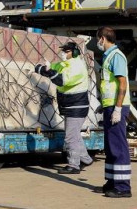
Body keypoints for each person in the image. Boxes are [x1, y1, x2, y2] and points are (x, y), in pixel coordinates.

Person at [35, 41, 93, 174]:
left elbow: (61, 80)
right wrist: (40, 68)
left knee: (70, 137)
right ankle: (85, 159)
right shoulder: (65, 64)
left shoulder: (76, 67)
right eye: (63, 51)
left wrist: (49, 72)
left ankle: (74, 165)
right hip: (70, 105)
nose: (63, 54)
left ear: (74, 53)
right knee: (75, 135)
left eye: (66, 52)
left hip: (77, 105)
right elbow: (53, 68)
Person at [94, 26, 132, 198]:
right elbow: (109, 85)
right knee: (110, 147)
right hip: (110, 106)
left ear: (103, 38)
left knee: (118, 146)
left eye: (98, 39)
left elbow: (122, 84)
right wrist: (105, 104)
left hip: (118, 107)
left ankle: (123, 187)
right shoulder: (108, 56)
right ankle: (111, 181)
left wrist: (117, 108)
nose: (97, 43)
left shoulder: (116, 56)